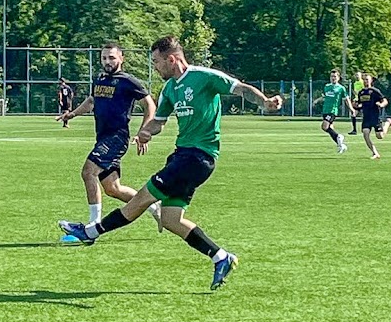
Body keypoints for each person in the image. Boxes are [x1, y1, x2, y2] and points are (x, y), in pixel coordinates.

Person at [59, 36, 282, 291]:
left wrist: (264, 102)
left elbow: (240, 88)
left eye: (156, 62)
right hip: (181, 155)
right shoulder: (169, 89)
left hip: (198, 156)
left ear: (171, 59)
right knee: (171, 219)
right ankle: (221, 257)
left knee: (141, 199)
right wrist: (146, 132)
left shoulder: (204, 77)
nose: (154, 67)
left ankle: (90, 232)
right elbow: (159, 121)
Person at [56, 43, 161, 227]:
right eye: (104, 58)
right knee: (113, 189)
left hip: (116, 137)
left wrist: (144, 131)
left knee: (88, 172)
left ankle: (93, 225)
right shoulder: (100, 79)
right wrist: (72, 114)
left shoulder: (128, 81)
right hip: (103, 137)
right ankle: (154, 207)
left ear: (121, 58)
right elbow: (91, 101)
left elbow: (149, 104)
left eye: (112, 57)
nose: (107, 61)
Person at [357, 74, 391, 159]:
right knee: (365, 134)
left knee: (380, 136)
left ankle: (388, 123)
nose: (365, 81)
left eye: (367, 79)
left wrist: (381, 105)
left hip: (375, 117)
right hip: (366, 117)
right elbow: (360, 104)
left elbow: (385, 100)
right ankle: (375, 153)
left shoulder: (375, 91)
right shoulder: (361, 92)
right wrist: (357, 106)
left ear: (371, 81)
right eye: (364, 79)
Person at [318, 69, 355, 153]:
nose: (333, 78)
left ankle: (339, 136)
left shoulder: (341, 88)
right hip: (325, 110)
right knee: (330, 128)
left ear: (338, 78)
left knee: (324, 126)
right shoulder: (327, 86)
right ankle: (341, 145)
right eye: (331, 76)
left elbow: (346, 99)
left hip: (332, 110)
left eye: (335, 76)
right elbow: (324, 96)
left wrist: (351, 109)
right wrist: (316, 101)